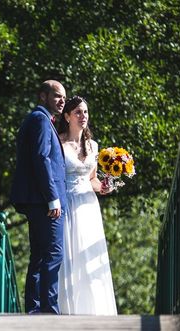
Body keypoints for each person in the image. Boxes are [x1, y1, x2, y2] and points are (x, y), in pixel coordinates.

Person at [10, 80, 67, 314]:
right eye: (57, 96)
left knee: (40, 255)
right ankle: (48, 310)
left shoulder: (38, 119)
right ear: (43, 96)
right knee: (53, 253)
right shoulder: (41, 120)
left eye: (64, 97)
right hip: (45, 201)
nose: (62, 100)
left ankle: (34, 308)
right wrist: (52, 198)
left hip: (38, 200)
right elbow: (41, 158)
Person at [56, 96, 117, 315]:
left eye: (86, 112)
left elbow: (92, 179)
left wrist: (104, 186)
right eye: (78, 112)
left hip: (89, 206)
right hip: (68, 203)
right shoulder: (59, 142)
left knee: (89, 256)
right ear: (67, 116)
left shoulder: (94, 146)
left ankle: (93, 309)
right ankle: (67, 308)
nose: (84, 117)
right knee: (69, 253)